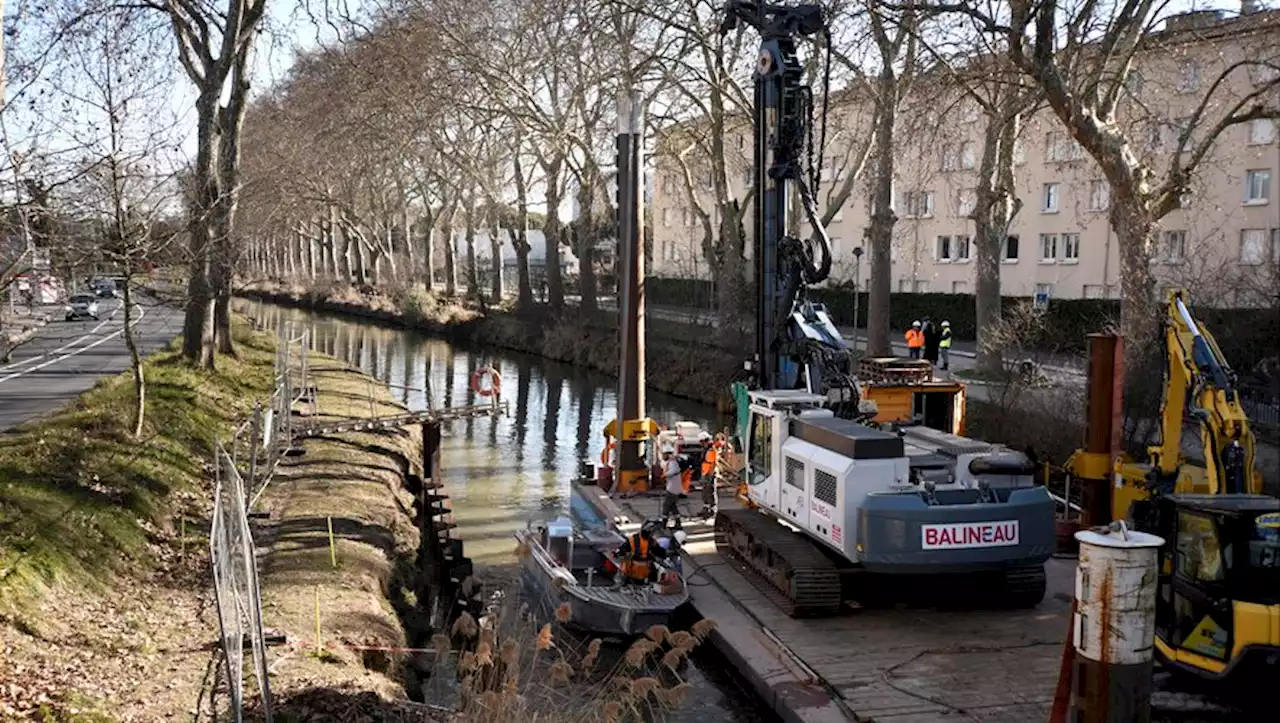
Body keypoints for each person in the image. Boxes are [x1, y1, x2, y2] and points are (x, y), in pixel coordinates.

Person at [660, 449, 684, 528]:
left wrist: (664, 475)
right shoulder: (669, 462)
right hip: (672, 487)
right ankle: (678, 522)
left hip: (673, 488)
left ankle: (664, 523)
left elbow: (672, 471)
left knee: (666, 505)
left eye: (664, 454)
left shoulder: (673, 463)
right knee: (673, 506)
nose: (663, 456)